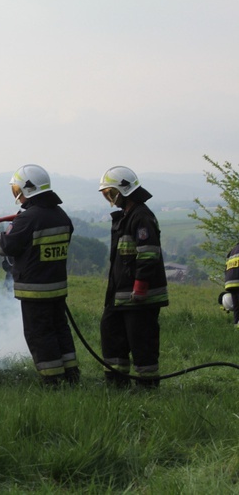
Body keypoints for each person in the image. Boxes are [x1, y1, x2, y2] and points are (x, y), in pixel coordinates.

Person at [0, 164, 79, 386]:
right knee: (59, 330)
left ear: (28, 189)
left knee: (40, 335)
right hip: (57, 287)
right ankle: (71, 375)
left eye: (17, 189)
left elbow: (7, 246)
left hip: (35, 290)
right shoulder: (60, 215)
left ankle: (53, 381)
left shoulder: (29, 219)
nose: (16, 193)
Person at [98, 166, 168, 389]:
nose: (109, 198)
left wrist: (140, 287)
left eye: (111, 193)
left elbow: (148, 254)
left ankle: (147, 387)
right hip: (121, 295)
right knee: (111, 336)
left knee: (142, 343)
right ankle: (116, 384)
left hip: (139, 297)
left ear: (123, 191)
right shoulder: (126, 216)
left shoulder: (141, 217)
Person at [220, 241, 239, 328]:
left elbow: (226, 268)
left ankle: (236, 327)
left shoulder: (232, 251)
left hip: (230, 283)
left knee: (237, 308)